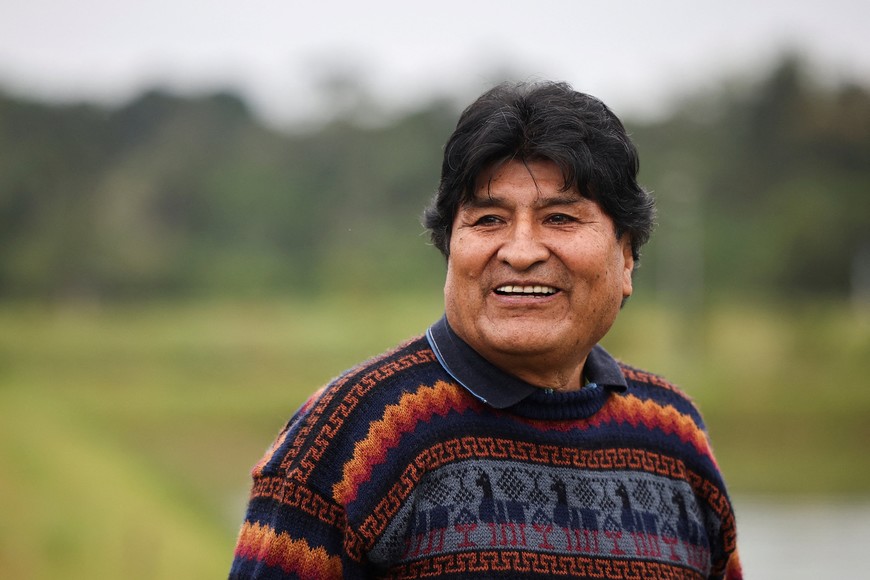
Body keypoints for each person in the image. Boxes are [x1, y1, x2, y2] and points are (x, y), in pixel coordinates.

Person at [228, 81, 741, 579]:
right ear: (450, 246)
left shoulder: (673, 438)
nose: (520, 252)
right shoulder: (352, 437)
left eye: (560, 217)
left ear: (626, 257)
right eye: (489, 219)